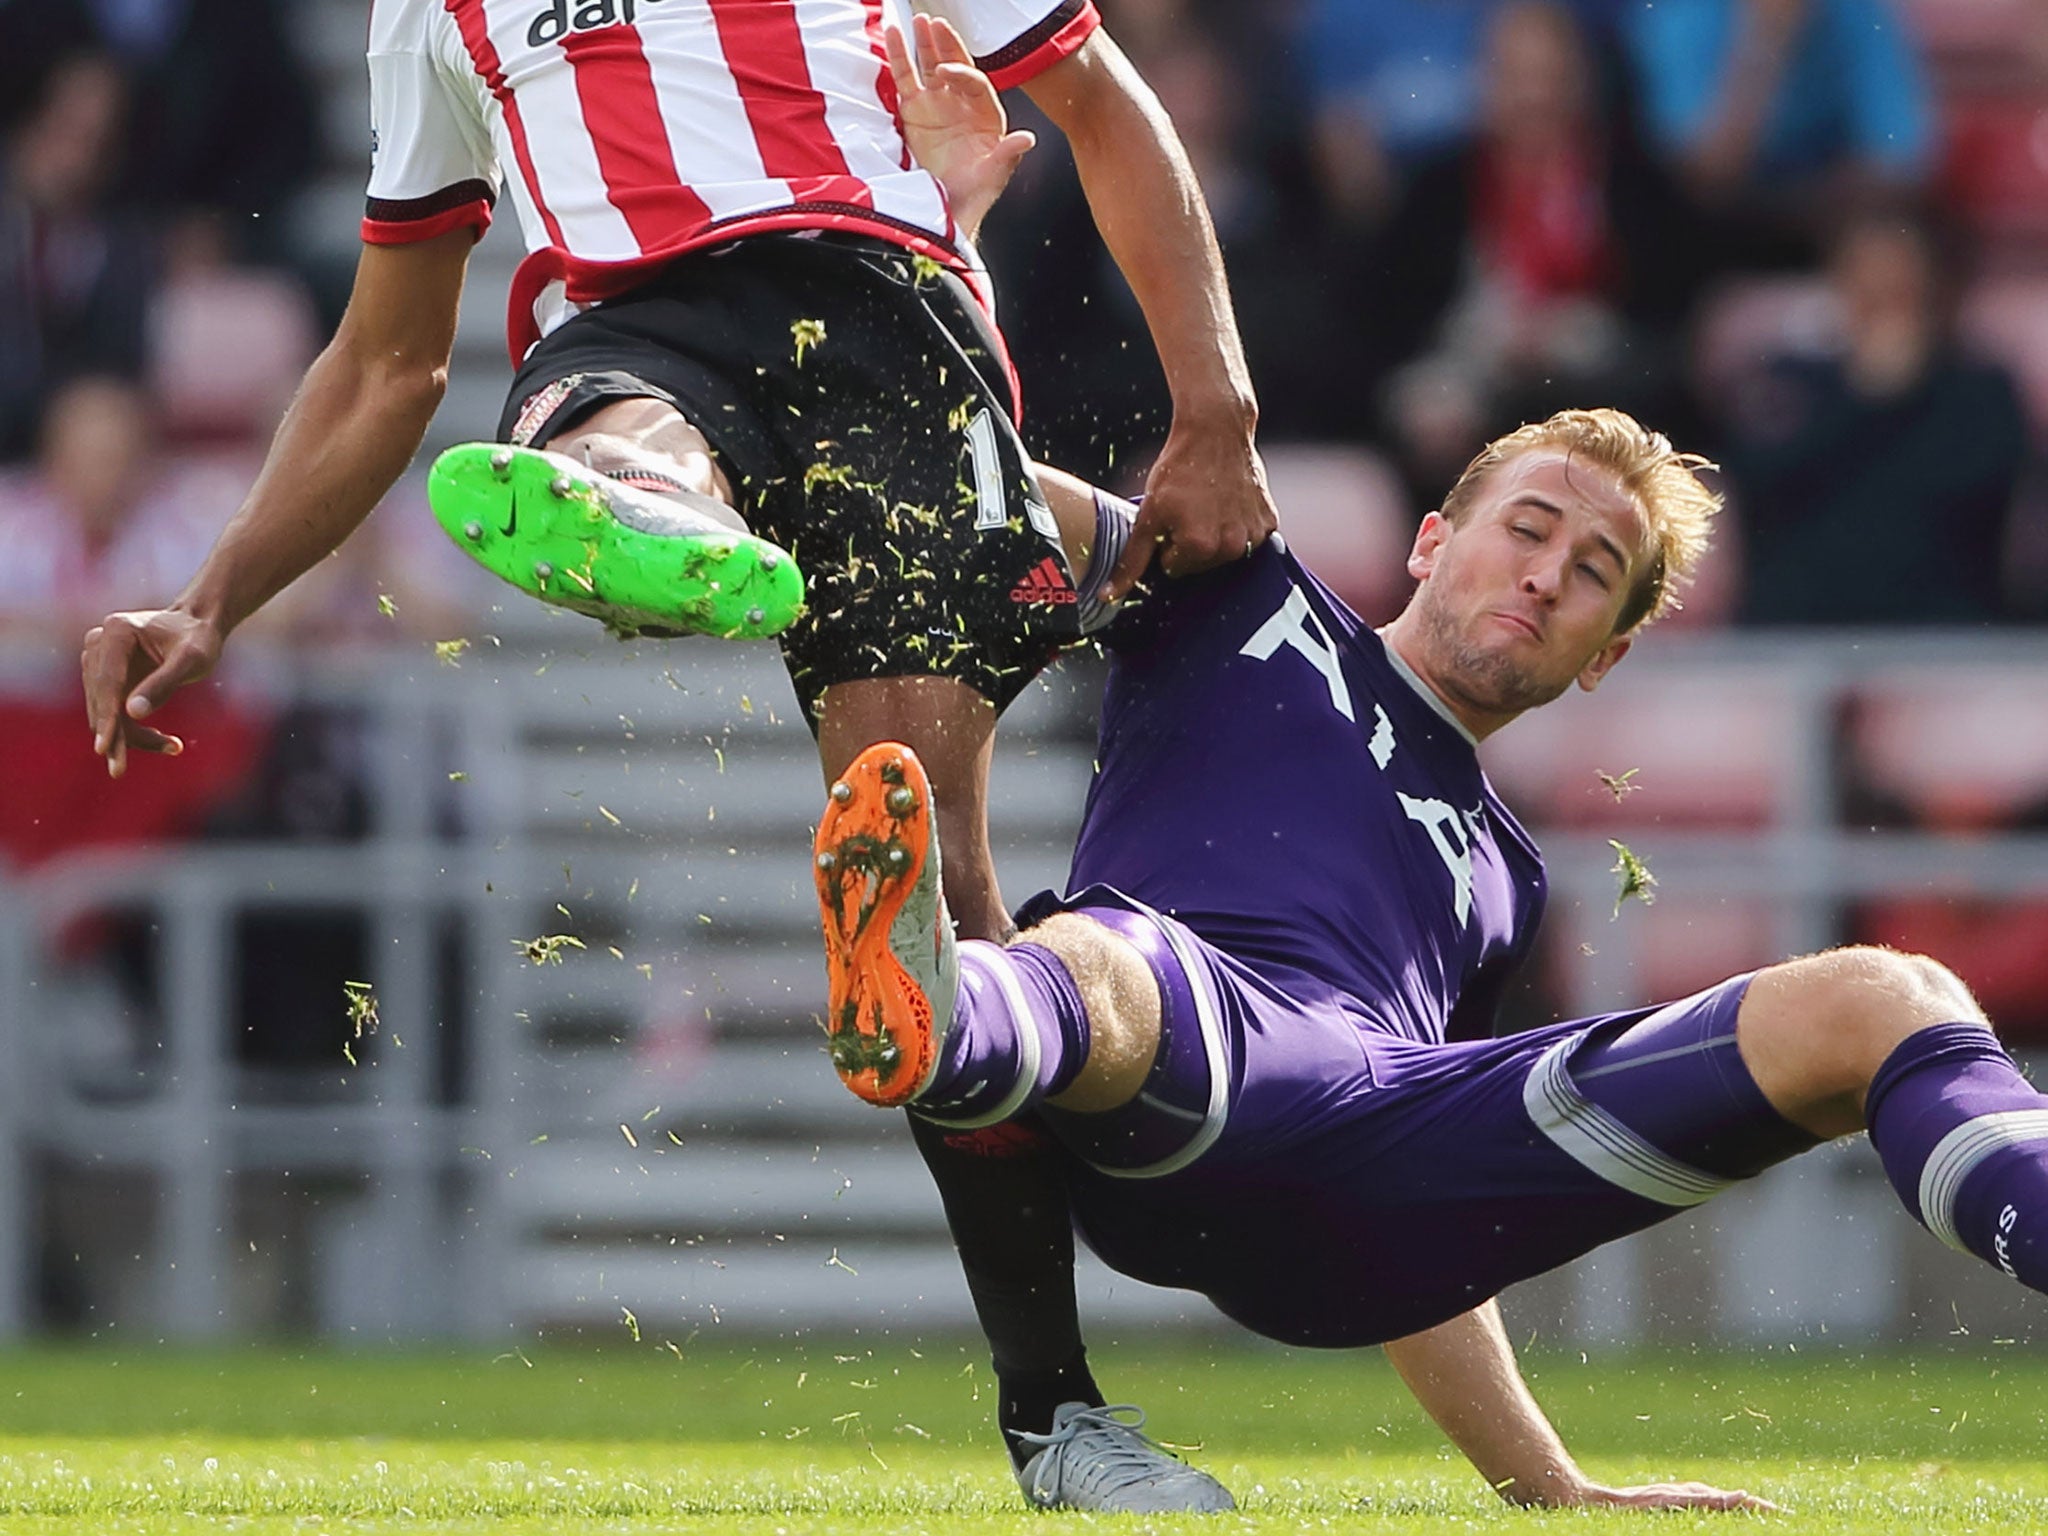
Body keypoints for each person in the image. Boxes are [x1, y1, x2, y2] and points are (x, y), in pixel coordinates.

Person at [78, 4, 1273, 1509]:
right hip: (638, 315)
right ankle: (653, 504)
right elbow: (390, 360)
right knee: (609, 409)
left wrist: (1217, 407)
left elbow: (1100, 102)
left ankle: (1055, 1415)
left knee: (938, 897)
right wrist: (210, 597)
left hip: (889, 309)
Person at [814, 405, 2048, 1510]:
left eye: (1590, 575)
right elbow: (968, 481)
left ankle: (945, 1005)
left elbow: (1427, 1179)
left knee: (1881, 996)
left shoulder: (1507, 879)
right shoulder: (1242, 592)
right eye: (1526, 528)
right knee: (1099, 958)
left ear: (1601, 659)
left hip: (1349, 1185)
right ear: (1426, 540)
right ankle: (945, 1003)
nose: (1544, 577)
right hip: (1165, 1068)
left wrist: (1549, 1486)